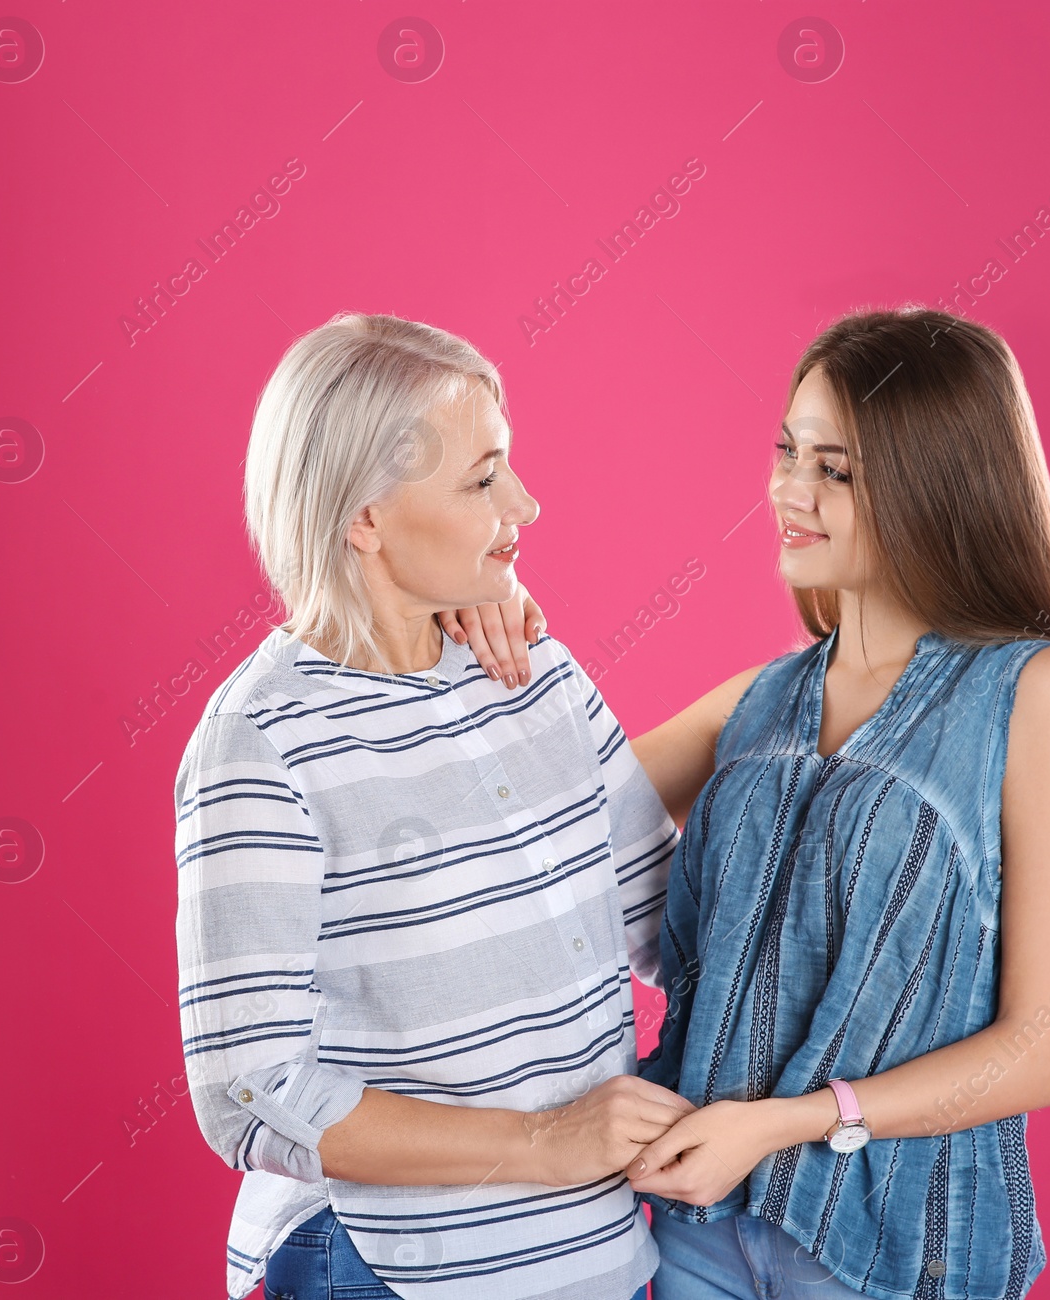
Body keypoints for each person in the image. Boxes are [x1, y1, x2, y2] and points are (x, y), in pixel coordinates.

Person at [574, 306, 1050, 1299]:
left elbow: (1041, 1050)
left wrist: (785, 1120)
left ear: (932, 484)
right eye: (787, 451)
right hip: (698, 1231)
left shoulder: (1034, 696)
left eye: (837, 470)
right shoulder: (760, 700)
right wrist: (481, 622)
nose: (789, 490)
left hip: (900, 1251)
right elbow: (538, 824)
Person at [172, 312, 691, 1300]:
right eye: (482, 479)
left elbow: (668, 921)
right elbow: (250, 1095)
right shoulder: (261, 741)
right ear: (363, 518)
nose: (527, 505)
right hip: (385, 1270)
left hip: (600, 1258)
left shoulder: (533, 669)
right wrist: (542, 1142)